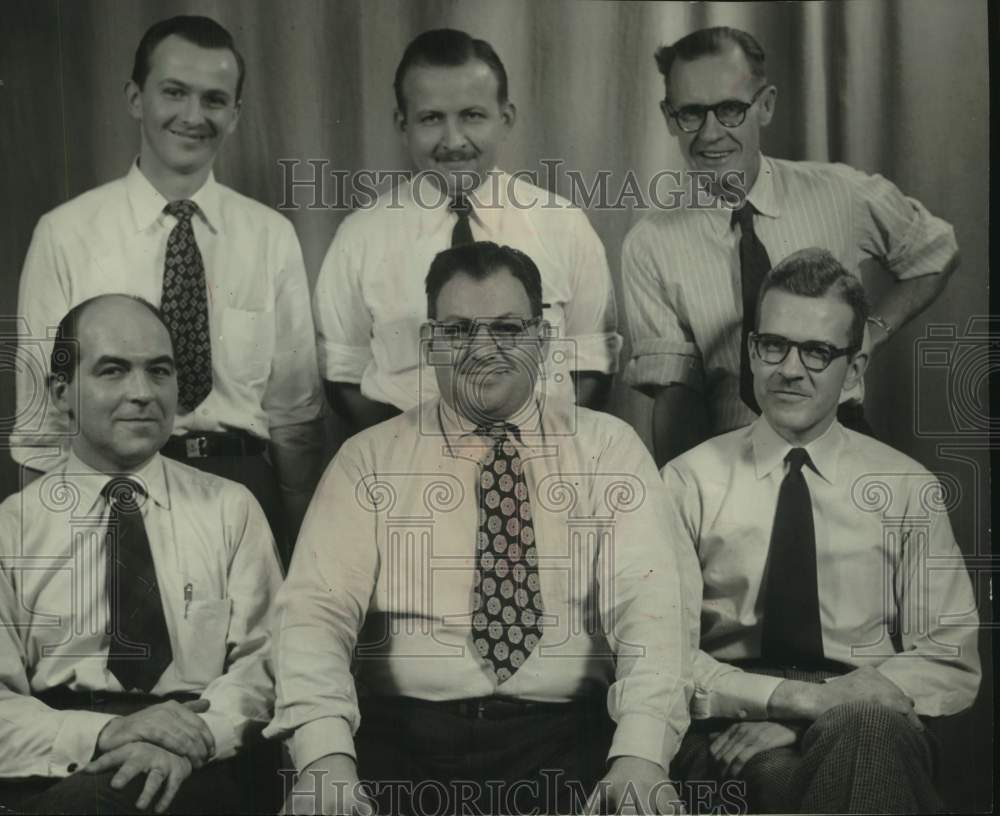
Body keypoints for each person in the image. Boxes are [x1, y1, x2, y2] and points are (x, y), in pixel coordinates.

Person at [269, 242, 688, 815]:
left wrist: (641, 755)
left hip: (568, 743)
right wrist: (325, 762)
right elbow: (314, 617)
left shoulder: (608, 450)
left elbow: (652, 612)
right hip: (403, 746)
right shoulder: (366, 460)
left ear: (542, 342)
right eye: (459, 329)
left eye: (508, 328)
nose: (483, 350)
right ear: (429, 343)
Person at [663, 249, 980, 813]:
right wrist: (779, 702)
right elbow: (663, 654)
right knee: (819, 768)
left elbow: (948, 657)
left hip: (870, 706)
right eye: (773, 345)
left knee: (866, 733)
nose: (789, 368)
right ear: (752, 353)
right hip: (733, 721)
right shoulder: (689, 481)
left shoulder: (906, 487)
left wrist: (819, 708)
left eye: (816, 352)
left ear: (853, 371)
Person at [12, 15, 324, 556]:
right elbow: (40, 424)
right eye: (174, 93)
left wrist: (300, 541)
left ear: (235, 114)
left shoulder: (271, 236)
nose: (193, 116)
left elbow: (293, 417)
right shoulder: (65, 233)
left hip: (241, 489)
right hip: (108, 488)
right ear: (136, 98)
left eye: (214, 100)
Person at [623, 26, 960, 466]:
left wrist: (870, 335)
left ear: (764, 106)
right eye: (691, 113)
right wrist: (682, 506)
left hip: (842, 443)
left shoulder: (839, 192)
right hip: (731, 458)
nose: (709, 134)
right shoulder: (650, 244)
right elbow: (676, 398)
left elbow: (936, 251)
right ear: (669, 117)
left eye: (729, 110)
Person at [0, 294, 284, 814]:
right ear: (61, 392)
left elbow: (266, 664)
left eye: (159, 371)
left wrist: (191, 740)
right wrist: (107, 732)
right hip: (61, 757)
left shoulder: (230, 508)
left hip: (199, 756)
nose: (142, 393)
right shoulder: (12, 529)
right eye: (112, 371)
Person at [312, 28, 620, 440]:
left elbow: (592, 363)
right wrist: (414, 451)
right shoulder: (360, 237)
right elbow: (343, 376)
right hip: (408, 472)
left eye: (472, 115)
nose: (453, 141)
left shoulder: (563, 225)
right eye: (431, 118)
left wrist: (530, 445)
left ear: (505, 118)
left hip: (543, 463)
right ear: (403, 125)